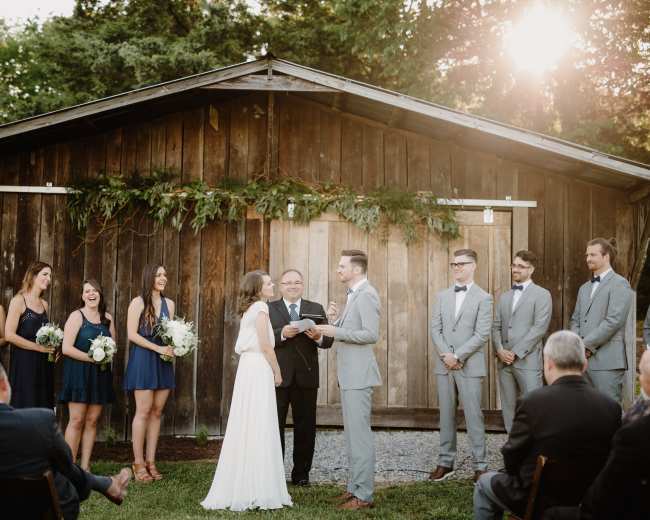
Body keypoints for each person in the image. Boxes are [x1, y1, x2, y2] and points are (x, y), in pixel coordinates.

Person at [473, 331, 621, 520]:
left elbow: (512, 457)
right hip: (587, 501)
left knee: (484, 483)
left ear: (548, 364)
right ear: (585, 364)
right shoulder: (611, 407)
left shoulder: (532, 402)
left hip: (537, 500)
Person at [201, 270, 292, 511]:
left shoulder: (250, 309)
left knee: (248, 422)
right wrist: (277, 371)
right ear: (258, 289)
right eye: (268, 283)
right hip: (259, 366)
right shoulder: (261, 308)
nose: (272, 285)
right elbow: (265, 345)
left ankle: (248, 483)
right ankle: (258, 488)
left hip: (248, 368)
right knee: (259, 421)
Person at [0, 362, 130, 520]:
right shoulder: (40, 422)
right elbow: (66, 465)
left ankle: (106, 484)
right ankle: (107, 485)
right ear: (3, 385)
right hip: (43, 512)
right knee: (57, 470)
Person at [542, 350, 650, 520]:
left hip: (625, 509)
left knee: (551, 515)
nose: (638, 377)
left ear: (646, 382)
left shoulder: (633, 434)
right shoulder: (631, 419)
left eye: (640, 373)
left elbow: (604, 495)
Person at [317, 249, 382, 511]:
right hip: (350, 376)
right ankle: (354, 488)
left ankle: (364, 496)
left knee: (360, 437)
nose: (338, 269)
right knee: (353, 437)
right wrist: (334, 321)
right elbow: (349, 331)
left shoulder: (367, 294)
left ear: (356, 269)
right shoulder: (353, 294)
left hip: (359, 376)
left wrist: (336, 330)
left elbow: (371, 334)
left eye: (342, 266)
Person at [429, 249, 492, 482]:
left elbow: (482, 333)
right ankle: (445, 462)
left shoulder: (484, 297)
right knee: (446, 415)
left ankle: (481, 465)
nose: (456, 268)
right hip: (444, 363)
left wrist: (459, 356)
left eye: (462, 264)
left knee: (474, 416)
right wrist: (447, 355)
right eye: (453, 264)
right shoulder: (442, 296)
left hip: (469, 365)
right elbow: (435, 328)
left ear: (473, 266)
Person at [269, 268, 333, 486]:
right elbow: (260, 339)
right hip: (277, 377)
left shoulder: (315, 308)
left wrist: (318, 337)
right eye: (288, 283)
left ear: (303, 285)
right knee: (274, 425)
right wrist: (280, 334)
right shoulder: (268, 309)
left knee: (306, 427)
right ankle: (275, 472)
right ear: (280, 286)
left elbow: (328, 342)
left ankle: (302, 474)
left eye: (297, 282)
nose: (293, 286)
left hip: (306, 378)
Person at [123, 264, 176, 482]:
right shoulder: (138, 302)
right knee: (143, 411)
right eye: (158, 274)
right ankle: (138, 463)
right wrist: (157, 348)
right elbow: (131, 335)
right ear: (149, 277)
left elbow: (170, 332)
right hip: (144, 359)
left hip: (163, 361)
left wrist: (177, 344)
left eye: (165, 274)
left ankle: (151, 461)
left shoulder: (169, 304)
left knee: (157, 412)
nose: (163, 278)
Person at [59, 280, 116, 470]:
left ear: (100, 294)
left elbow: (113, 346)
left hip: (99, 375)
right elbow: (66, 348)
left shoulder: (107, 318)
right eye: (87, 291)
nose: (91, 294)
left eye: (95, 291)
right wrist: (92, 358)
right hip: (78, 373)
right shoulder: (76, 316)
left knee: (92, 421)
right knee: (76, 420)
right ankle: (69, 466)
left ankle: (85, 467)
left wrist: (106, 354)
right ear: (82, 296)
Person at [492, 250, 551, 432]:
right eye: (514, 265)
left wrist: (515, 353)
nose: (515, 269)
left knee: (534, 409)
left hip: (527, 361)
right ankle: (513, 450)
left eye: (520, 266)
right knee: (509, 410)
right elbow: (495, 326)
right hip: (504, 362)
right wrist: (500, 350)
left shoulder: (542, 295)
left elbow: (539, 328)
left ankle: (533, 454)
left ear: (531, 269)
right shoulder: (504, 296)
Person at [569, 237, 633, 403]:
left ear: (606, 257)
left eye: (593, 255)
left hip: (607, 362)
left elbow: (614, 321)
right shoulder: (584, 288)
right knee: (585, 411)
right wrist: (577, 345)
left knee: (608, 411)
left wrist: (585, 345)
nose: (588, 259)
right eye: (587, 255)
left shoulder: (620, 284)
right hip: (582, 361)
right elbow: (575, 319)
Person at [4, 261, 55, 409]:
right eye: (45, 274)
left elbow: (43, 334)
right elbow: (9, 335)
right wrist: (38, 347)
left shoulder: (44, 304)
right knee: (25, 404)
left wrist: (52, 345)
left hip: (43, 363)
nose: (49, 278)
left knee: (41, 404)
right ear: (33, 276)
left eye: (50, 275)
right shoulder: (19, 301)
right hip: (24, 364)